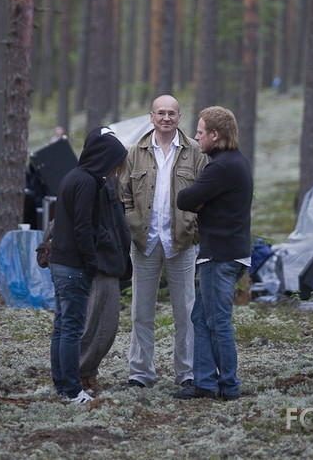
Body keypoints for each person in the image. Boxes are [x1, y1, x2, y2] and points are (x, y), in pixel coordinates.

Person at [122, 94, 207, 389]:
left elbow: (205, 193)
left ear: (180, 117)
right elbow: (125, 194)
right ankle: (140, 373)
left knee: (185, 312)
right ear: (151, 116)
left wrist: (193, 228)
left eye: (172, 113)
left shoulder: (195, 151)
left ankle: (187, 373)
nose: (166, 118)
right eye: (161, 113)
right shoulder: (135, 152)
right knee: (141, 313)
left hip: (182, 242)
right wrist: (132, 222)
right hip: (144, 242)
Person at [173, 106, 253, 401]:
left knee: (218, 321)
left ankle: (229, 387)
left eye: (200, 132)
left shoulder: (221, 167)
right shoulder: (235, 162)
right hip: (226, 253)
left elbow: (185, 198)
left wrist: (197, 200)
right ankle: (205, 382)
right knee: (200, 317)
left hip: (220, 256)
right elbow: (197, 201)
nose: (195, 138)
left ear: (215, 135)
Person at [50, 127, 128, 403]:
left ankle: (61, 384)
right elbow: (84, 227)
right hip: (73, 267)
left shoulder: (73, 177)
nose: (113, 171)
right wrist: (91, 263)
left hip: (61, 263)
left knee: (62, 327)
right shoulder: (86, 182)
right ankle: (72, 390)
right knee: (71, 329)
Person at [79, 153, 130, 395]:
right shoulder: (95, 184)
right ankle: (79, 372)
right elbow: (90, 224)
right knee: (95, 324)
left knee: (107, 325)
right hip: (102, 264)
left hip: (113, 263)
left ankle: (89, 372)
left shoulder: (113, 183)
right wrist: (109, 242)